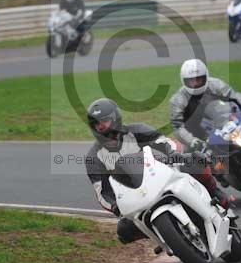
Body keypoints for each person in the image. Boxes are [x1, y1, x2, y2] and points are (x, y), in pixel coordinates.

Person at [85, 98, 229, 245]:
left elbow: (162, 141)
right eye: (96, 124)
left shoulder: (136, 131)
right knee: (124, 231)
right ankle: (163, 235)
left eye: (104, 121)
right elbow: (101, 191)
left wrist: (172, 153)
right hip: (135, 197)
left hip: (160, 176)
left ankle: (214, 191)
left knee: (193, 162)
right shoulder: (94, 157)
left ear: (115, 118)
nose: (101, 126)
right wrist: (115, 206)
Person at [170, 59, 241, 152]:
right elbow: (177, 127)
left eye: (199, 79)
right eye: (192, 81)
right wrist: (192, 141)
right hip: (198, 136)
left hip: (224, 126)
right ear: (184, 80)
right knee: (189, 160)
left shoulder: (215, 84)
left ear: (206, 76)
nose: (196, 83)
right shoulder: (178, 99)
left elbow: (234, 95)